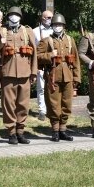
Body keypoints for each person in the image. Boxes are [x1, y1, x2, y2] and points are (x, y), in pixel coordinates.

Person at [0, 6, 37, 144]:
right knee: (9, 104)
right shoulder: (2, 31)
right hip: (8, 73)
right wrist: (0, 45)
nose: (14, 17)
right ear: (8, 17)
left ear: (21, 17)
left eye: (16, 15)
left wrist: (33, 72)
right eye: (11, 15)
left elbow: (34, 54)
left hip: (25, 73)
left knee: (23, 104)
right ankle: (11, 132)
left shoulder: (27, 31)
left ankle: (20, 131)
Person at [36, 13, 80, 142]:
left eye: (59, 25)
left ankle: (63, 130)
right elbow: (37, 57)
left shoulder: (70, 40)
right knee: (54, 104)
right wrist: (50, 55)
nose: (57, 27)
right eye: (55, 25)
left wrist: (76, 78)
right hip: (53, 76)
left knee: (66, 104)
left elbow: (75, 60)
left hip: (68, 76)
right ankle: (55, 130)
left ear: (64, 26)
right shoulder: (46, 40)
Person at [32, 10, 55, 121]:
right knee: (41, 87)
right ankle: (42, 110)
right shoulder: (35, 31)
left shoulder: (54, 30)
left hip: (53, 63)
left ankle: (51, 109)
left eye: (52, 17)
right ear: (42, 18)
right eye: (48, 17)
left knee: (52, 87)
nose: (50, 19)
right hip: (40, 63)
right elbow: (33, 49)